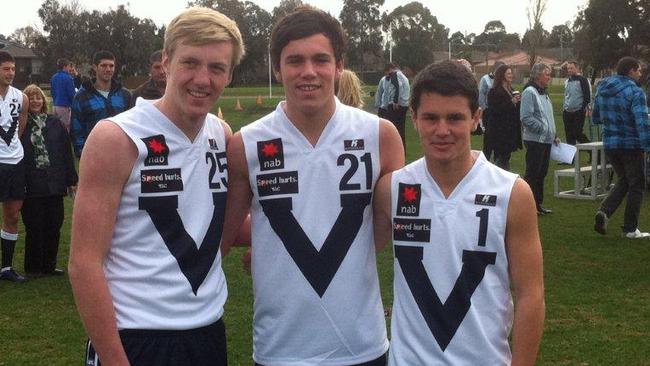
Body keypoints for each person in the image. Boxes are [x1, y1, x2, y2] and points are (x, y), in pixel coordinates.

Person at [220, 6, 404, 366]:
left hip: (361, 345)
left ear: (339, 65)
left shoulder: (380, 136)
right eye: (295, 61)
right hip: (280, 349)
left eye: (321, 60)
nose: (308, 72)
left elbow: (385, 226)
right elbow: (223, 235)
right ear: (277, 68)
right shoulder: (246, 144)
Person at [68, 7, 245, 365]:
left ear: (229, 75)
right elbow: (84, 263)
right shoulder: (117, 138)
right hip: (137, 335)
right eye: (190, 62)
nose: (202, 79)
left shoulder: (220, 135)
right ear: (165, 62)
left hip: (208, 329)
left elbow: (217, 225)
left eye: (216, 68)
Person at [373, 60, 545, 366]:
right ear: (414, 118)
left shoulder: (512, 193)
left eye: (455, 118)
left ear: (476, 118)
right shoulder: (391, 190)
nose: (442, 130)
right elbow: (350, 255)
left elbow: (531, 295)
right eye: (430, 118)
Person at [20, 84, 77, 276]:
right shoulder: (21, 125)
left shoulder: (54, 123)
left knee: (54, 224)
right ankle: (34, 267)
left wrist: (71, 178)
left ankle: (49, 265)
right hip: (32, 182)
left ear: (44, 100)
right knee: (35, 226)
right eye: (31, 98)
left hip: (54, 182)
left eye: (38, 97)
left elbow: (65, 153)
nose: (36, 101)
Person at [592, 56, 650, 239]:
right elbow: (641, 122)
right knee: (637, 183)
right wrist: (647, 144)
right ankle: (630, 228)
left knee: (625, 179)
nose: (640, 74)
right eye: (639, 70)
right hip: (631, 144)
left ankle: (605, 212)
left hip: (610, 143)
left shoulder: (602, 88)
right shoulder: (636, 92)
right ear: (631, 71)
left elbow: (596, 117)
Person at [0, 51, 28, 282]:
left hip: (16, 162)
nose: (10, 73)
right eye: (5, 69)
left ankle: (6, 268)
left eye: (12, 69)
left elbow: (21, 124)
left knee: (12, 215)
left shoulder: (21, 97)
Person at [71, 50, 131, 157]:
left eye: (111, 66)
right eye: (103, 65)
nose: (108, 69)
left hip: (122, 156)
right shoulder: (82, 96)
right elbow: (77, 130)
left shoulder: (124, 95)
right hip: (95, 156)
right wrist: (82, 154)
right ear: (95, 67)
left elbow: (132, 126)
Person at [521, 63, 559, 215]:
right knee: (533, 173)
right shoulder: (529, 92)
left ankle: (537, 204)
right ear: (537, 76)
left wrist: (553, 134)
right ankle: (527, 205)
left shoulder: (544, 92)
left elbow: (548, 116)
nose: (549, 77)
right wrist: (544, 129)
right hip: (535, 140)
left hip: (546, 140)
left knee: (541, 173)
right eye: (546, 74)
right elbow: (526, 117)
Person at [487, 64, 522, 170]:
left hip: (510, 130)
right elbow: (495, 110)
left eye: (511, 73)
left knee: (506, 157)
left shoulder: (511, 90)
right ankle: (498, 176)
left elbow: (513, 109)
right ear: (502, 75)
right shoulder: (494, 91)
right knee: (500, 157)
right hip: (499, 132)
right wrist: (511, 102)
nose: (511, 75)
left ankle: (504, 176)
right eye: (508, 73)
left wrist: (519, 102)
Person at [375, 62, 410, 148]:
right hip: (404, 104)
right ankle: (401, 150)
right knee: (400, 130)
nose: (387, 75)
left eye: (387, 73)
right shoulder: (403, 76)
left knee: (390, 129)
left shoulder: (395, 74)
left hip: (395, 105)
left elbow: (398, 87)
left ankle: (391, 148)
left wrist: (395, 101)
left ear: (389, 70)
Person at [479, 60, 505, 159]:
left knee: (499, 138)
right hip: (489, 113)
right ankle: (486, 159)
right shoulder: (485, 79)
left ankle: (497, 160)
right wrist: (485, 111)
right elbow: (481, 95)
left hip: (500, 113)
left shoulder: (503, 80)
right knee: (488, 138)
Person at [563, 61, 591, 145]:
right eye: (568, 68)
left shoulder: (583, 80)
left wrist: (583, 109)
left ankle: (592, 149)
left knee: (577, 133)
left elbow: (587, 96)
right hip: (567, 112)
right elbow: (566, 95)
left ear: (577, 68)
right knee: (569, 136)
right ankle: (572, 157)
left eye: (571, 68)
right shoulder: (567, 81)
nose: (569, 70)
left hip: (578, 112)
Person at [50, 58, 77, 132]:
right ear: (65, 67)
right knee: (66, 127)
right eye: (68, 66)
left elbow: (52, 92)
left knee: (56, 126)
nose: (69, 68)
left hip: (55, 105)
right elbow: (71, 94)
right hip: (64, 105)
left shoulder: (54, 77)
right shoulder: (68, 78)